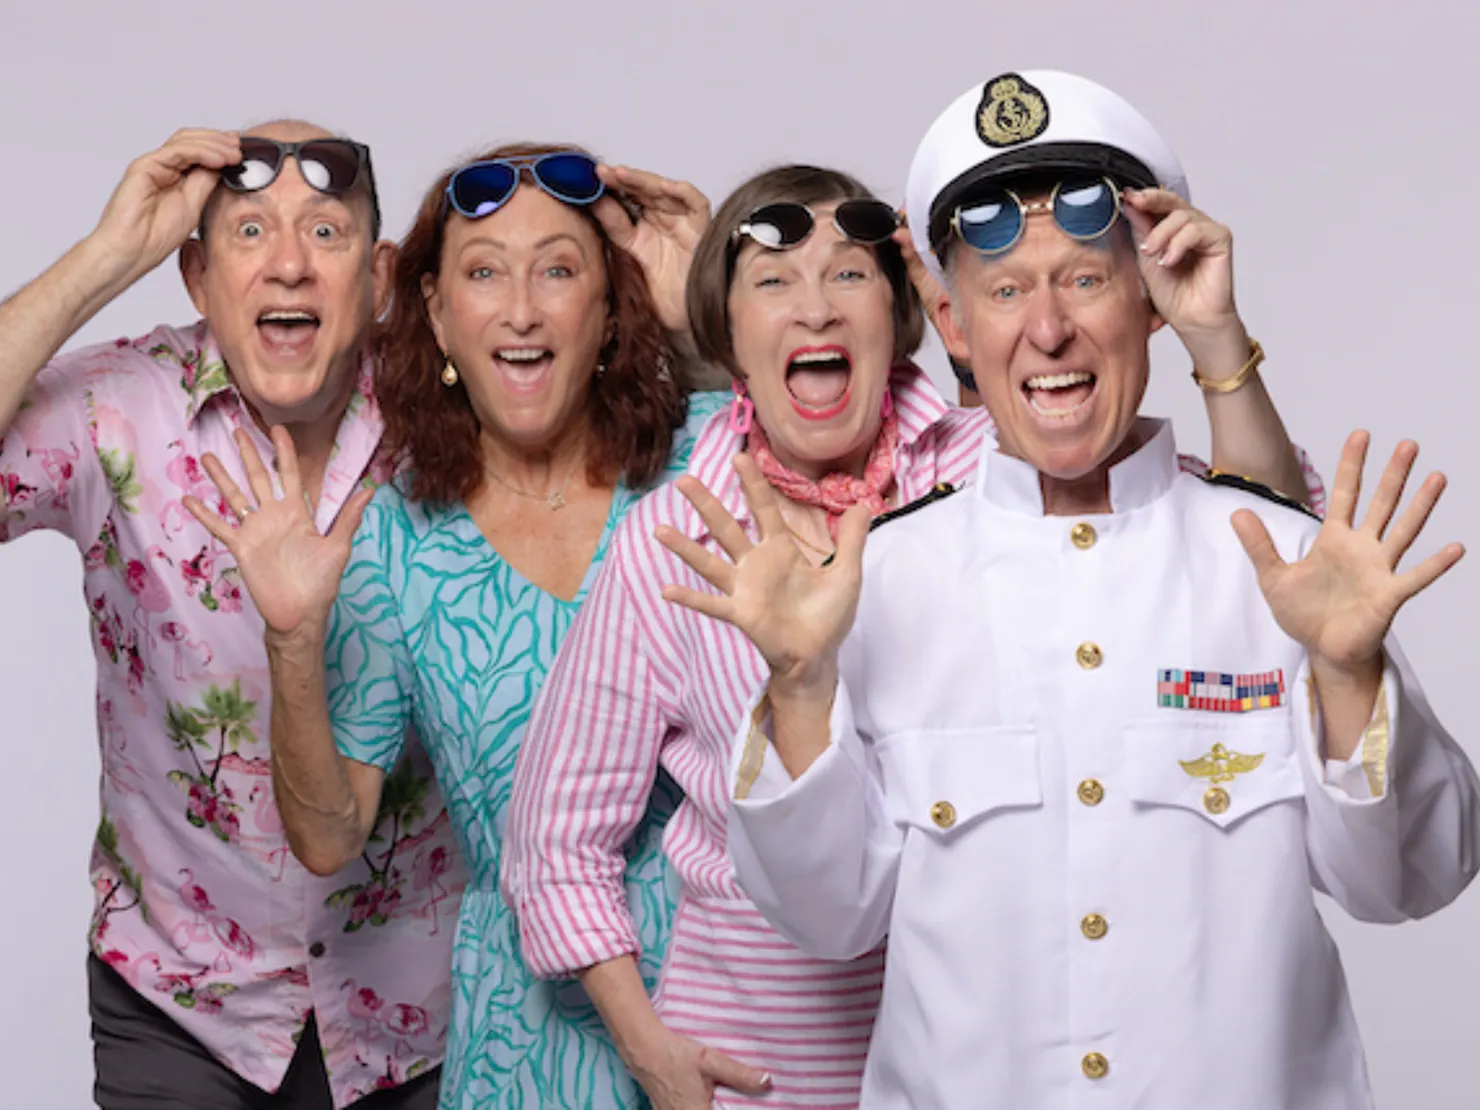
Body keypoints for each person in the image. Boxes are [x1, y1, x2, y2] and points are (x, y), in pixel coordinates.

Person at [662, 72, 1480, 1110]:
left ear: (1149, 304)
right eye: (1004, 292)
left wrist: (1351, 676)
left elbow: (1411, 883)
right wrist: (796, 687)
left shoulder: (1281, 564)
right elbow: (829, 920)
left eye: (1086, 280)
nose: (1046, 330)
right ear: (954, 327)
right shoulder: (871, 583)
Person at [503, 139, 1328, 1107]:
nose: (814, 307)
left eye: (848, 273)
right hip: (761, 1072)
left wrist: (1219, 345)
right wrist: (653, 1053)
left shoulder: (1001, 463)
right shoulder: (678, 535)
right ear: (726, 333)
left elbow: (1254, 536)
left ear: (908, 315)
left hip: (991, 1058)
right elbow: (555, 839)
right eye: (772, 280)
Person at [186, 142, 729, 1110]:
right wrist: (291, 643)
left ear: (611, 309)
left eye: (559, 270)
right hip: (530, 1039)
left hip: (738, 994)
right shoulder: (395, 537)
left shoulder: (713, 455)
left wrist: (714, 311)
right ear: (435, 313)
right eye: (484, 273)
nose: (521, 309)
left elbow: (921, 459)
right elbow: (328, 836)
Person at [0, 122, 462, 1107]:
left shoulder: (457, 418)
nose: (289, 264)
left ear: (380, 278)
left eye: (326, 234)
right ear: (198, 276)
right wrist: (104, 256)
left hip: (417, 1014)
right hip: (180, 1008)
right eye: (250, 233)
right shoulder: (116, 408)